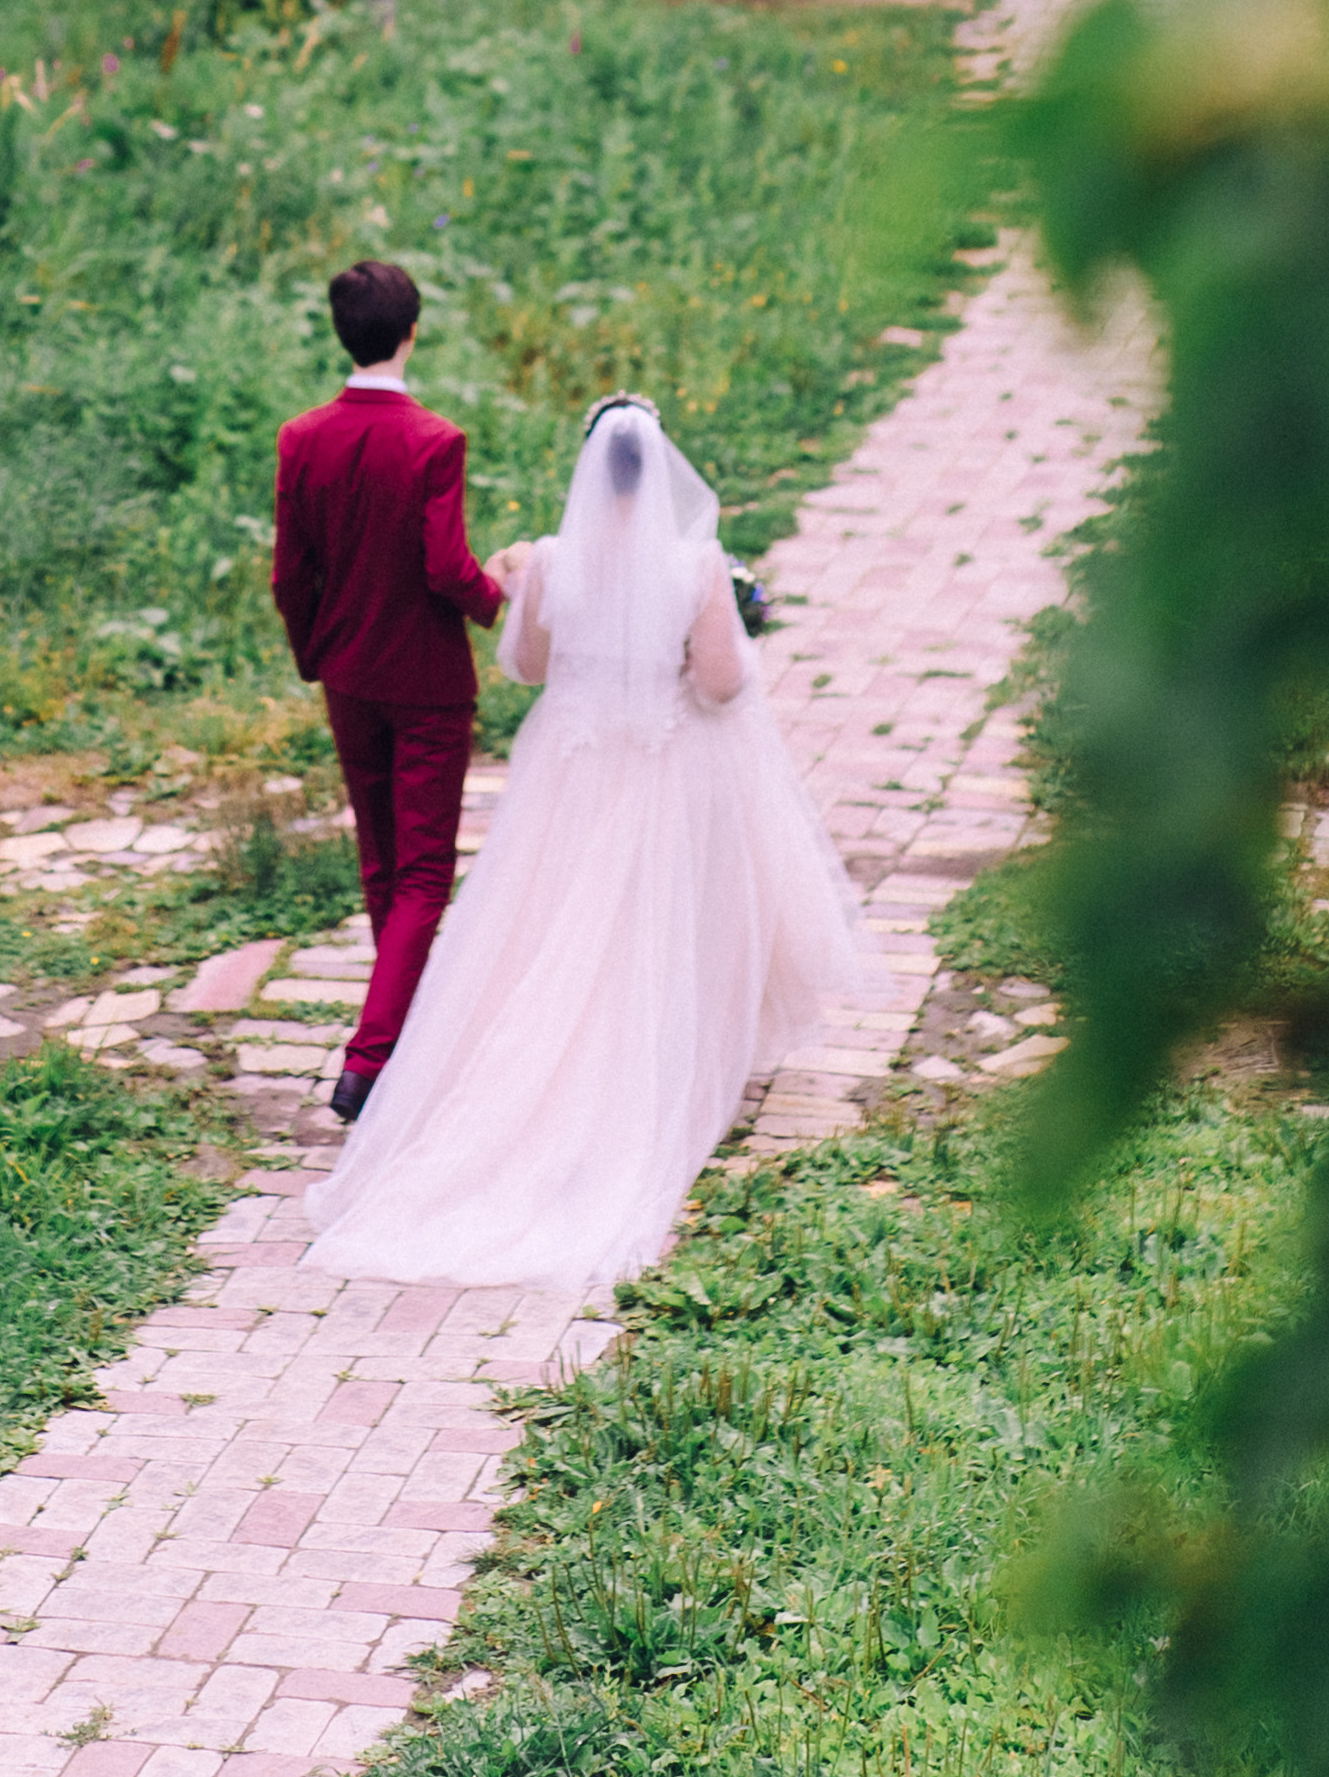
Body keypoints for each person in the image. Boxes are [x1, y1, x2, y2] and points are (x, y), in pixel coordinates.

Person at [304, 392, 883, 1297]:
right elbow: (722, 686)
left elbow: (530, 667)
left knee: (545, 921)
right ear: (658, 469)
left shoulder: (549, 561)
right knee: (655, 916)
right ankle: (648, 1076)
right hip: (658, 765)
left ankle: (524, 1078)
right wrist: (732, 640)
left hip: (568, 768)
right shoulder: (694, 565)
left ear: (585, 467)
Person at [272, 258, 509, 1121]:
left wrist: (314, 655)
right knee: (424, 874)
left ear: (343, 334)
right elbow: (445, 567)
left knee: (381, 862)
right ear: (413, 332)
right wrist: (501, 605)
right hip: (426, 681)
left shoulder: (302, 437)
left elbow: (289, 574)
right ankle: (370, 1059)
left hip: (348, 675)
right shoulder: (432, 441)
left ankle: (395, 1030)